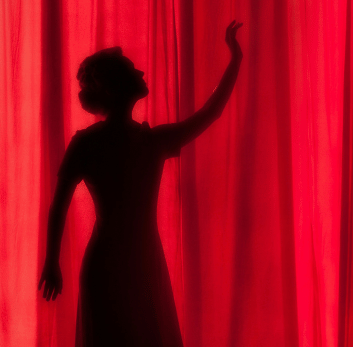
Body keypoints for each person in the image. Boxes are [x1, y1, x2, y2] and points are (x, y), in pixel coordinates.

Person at [37, 21, 243, 347]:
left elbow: (211, 113)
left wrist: (235, 59)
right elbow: (58, 205)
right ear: (115, 86)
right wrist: (51, 262)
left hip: (144, 261)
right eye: (134, 70)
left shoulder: (148, 141)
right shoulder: (102, 143)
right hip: (112, 264)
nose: (142, 73)